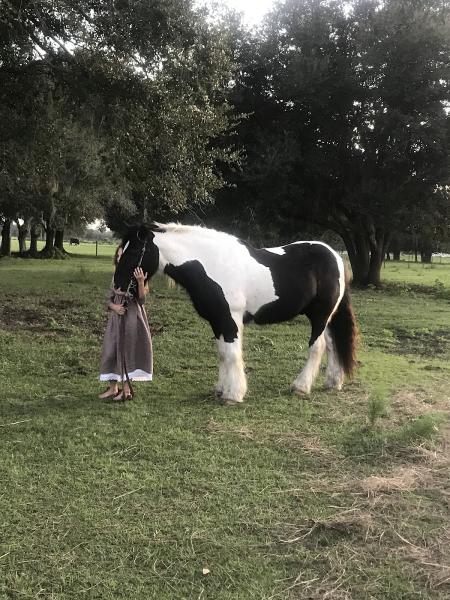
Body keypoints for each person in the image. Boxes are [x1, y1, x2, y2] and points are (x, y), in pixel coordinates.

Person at [98, 246, 153, 401]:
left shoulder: (138, 275)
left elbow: (141, 300)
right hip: (115, 320)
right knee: (111, 350)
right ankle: (113, 388)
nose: (121, 259)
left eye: (125, 256)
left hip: (132, 320)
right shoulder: (116, 276)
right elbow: (108, 298)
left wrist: (141, 281)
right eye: (119, 256)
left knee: (127, 351)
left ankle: (127, 390)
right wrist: (114, 306)